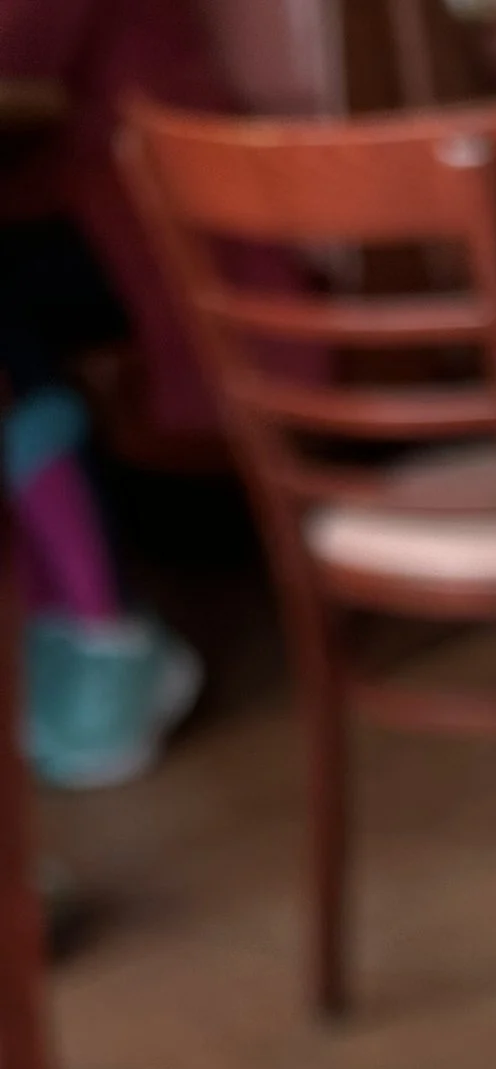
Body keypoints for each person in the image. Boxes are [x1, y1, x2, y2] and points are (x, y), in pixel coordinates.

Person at [0, 0, 231, 786]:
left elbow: (16, 50)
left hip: (163, 215)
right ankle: (69, 619)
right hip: (61, 209)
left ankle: (102, 624)